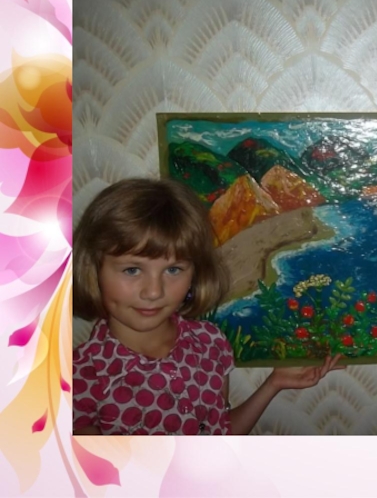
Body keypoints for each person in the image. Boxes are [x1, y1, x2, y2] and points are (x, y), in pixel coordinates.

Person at [72, 178, 343, 435]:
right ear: (94, 268)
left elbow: (219, 432)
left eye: (173, 270)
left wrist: (273, 384)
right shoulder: (79, 375)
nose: (154, 292)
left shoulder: (209, 342)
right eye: (132, 270)